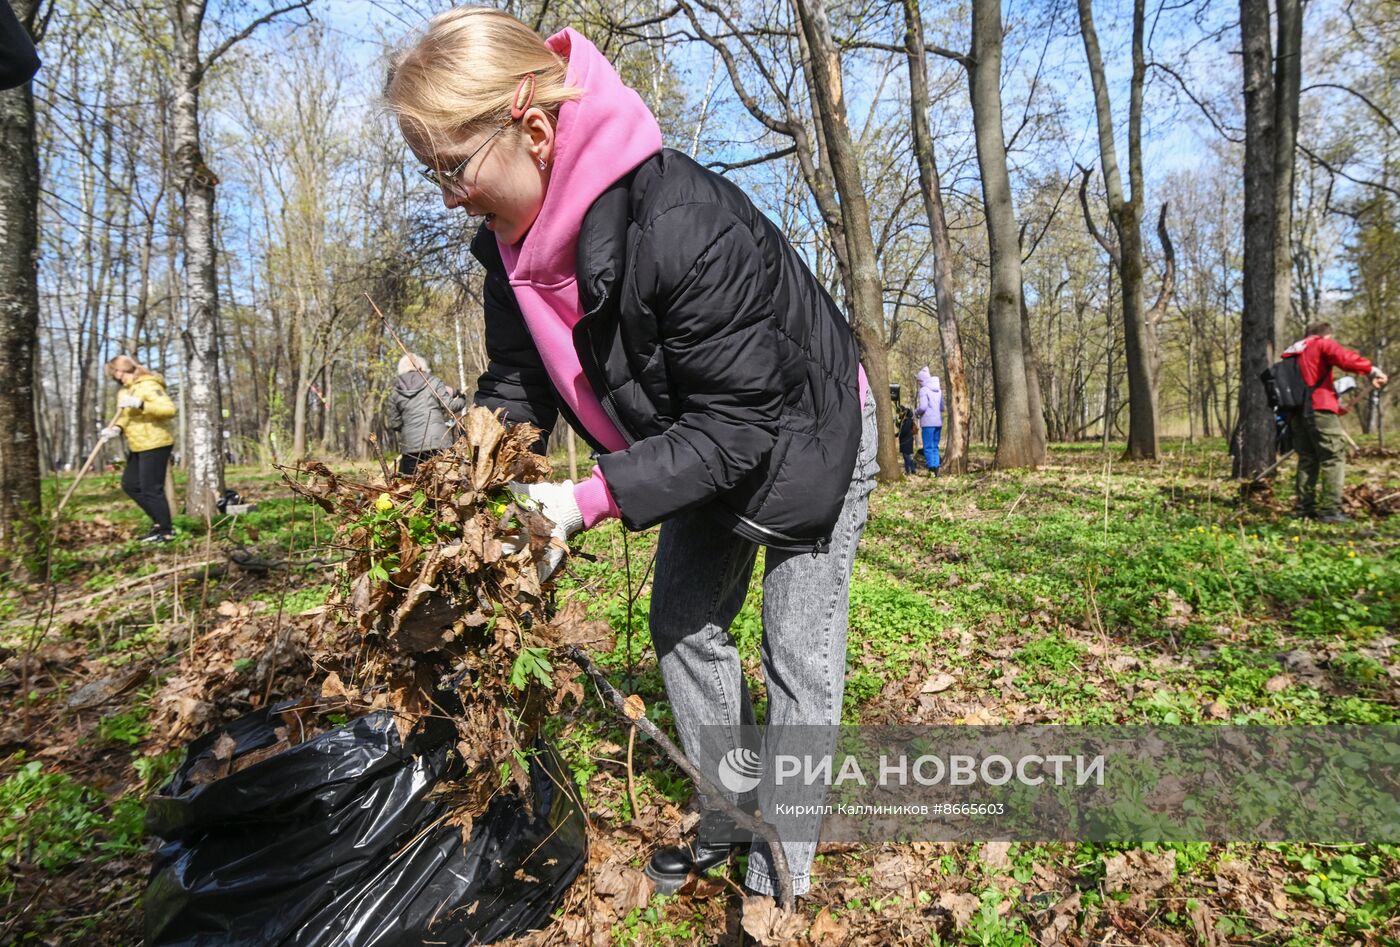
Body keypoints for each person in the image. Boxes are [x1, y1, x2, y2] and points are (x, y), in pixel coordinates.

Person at [385, 8, 876, 904]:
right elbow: (519, 388)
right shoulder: (508, 254)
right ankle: (727, 813)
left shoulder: (681, 222)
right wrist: (465, 476)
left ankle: (780, 869)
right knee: (682, 625)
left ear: (532, 130)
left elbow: (739, 427)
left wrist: (582, 501)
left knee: (796, 654)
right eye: (433, 173)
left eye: (454, 167)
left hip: (809, 436)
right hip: (698, 444)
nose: (450, 193)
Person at [1280, 322, 1388, 523]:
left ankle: (1305, 509)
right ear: (1325, 335)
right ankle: (1330, 511)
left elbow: (1307, 383)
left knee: (1307, 459)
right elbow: (1345, 359)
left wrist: (1336, 407)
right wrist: (1371, 369)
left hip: (1296, 413)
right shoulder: (1321, 344)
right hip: (1318, 408)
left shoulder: (1291, 352)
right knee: (1333, 457)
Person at [100, 355, 177, 542]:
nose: (117, 378)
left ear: (122, 370)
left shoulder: (149, 385)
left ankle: (166, 532)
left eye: (116, 374)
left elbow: (169, 410)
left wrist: (141, 404)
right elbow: (125, 417)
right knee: (130, 484)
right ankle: (159, 523)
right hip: (137, 444)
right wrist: (116, 429)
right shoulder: (125, 391)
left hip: (156, 442)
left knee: (151, 488)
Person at [385, 353, 468, 476]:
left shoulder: (395, 392)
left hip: (410, 447)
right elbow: (450, 407)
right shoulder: (432, 382)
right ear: (422, 367)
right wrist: (462, 398)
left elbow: (395, 423)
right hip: (438, 443)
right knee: (443, 484)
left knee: (410, 487)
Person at [915, 367, 942, 475]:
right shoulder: (939, 390)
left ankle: (931, 470)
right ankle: (937, 469)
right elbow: (942, 407)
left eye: (919, 381)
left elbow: (923, 407)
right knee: (935, 446)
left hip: (928, 423)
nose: (919, 384)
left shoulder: (924, 390)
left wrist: (916, 412)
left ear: (922, 380)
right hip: (938, 422)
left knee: (928, 447)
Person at [897, 404, 916, 475]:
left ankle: (911, 470)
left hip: (907, 441)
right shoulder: (904, 420)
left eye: (900, 412)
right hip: (905, 441)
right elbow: (902, 429)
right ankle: (909, 470)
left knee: (907, 456)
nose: (899, 414)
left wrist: (899, 434)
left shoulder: (908, 421)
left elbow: (904, 431)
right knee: (906, 456)